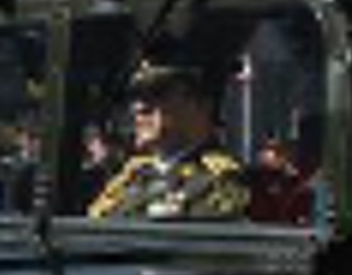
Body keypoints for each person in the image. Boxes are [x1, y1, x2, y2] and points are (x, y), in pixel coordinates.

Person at [87, 53, 250, 220]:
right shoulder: (130, 176)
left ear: (201, 107)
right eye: (135, 97)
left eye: (157, 94)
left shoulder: (221, 179)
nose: (138, 108)